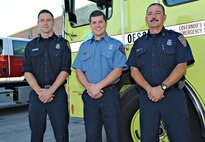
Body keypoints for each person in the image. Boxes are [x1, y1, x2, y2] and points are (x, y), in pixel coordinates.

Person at [127, 3, 194, 142]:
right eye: (150, 13)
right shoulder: (139, 43)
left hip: (172, 97)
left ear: (164, 17)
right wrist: (150, 89)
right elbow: (134, 70)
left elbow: (181, 66)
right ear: (146, 19)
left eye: (157, 13)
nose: (153, 16)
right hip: (148, 98)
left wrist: (162, 88)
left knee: (180, 137)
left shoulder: (176, 39)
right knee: (148, 138)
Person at [72, 10, 127, 142]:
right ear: (90, 25)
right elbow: (78, 70)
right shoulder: (84, 47)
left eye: (100, 22)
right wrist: (89, 88)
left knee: (114, 135)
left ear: (105, 23)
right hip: (90, 97)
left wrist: (98, 87)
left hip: (109, 96)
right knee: (91, 136)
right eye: (94, 22)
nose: (97, 25)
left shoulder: (116, 45)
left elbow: (118, 70)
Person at [23, 9, 71, 142]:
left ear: (53, 22)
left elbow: (65, 70)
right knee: (36, 135)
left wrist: (50, 91)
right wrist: (40, 91)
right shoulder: (30, 46)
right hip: (37, 95)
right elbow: (27, 71)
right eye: (42, 20)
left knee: (61, 134)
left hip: (57, 94)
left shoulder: (62, 44)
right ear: (38, 23)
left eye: (48, 20)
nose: (45, 23)